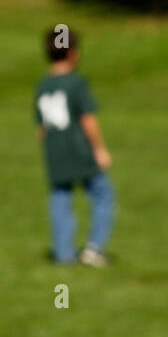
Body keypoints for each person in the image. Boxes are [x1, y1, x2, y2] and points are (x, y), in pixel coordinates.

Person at [34, 26, 115, 266]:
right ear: (72, 53)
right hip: (80, 150)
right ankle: (94, 248)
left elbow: (41, 128)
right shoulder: (76, 83)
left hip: (55, 151)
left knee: (60, 198)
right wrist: (99, 149)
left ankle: (63, 253)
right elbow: (87, 119)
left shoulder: (43, 85)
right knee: (103, 193)